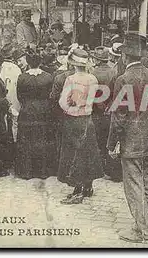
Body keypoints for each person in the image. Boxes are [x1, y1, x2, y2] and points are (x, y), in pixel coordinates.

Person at [107, 33, 148, 243]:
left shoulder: (123, 80)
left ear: (124, 56)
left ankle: (142, 231)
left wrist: (112, 143)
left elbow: (119, 116)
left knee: (134, 186)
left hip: (131, 142)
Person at [57, 48, 104, 204]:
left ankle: (77, 189)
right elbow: (91, 101)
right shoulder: (93, 79)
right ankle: (88, 186)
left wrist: (70, 108)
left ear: (73, 64)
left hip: (74, 119)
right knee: (88, 152)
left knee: (74, 153)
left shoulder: (71, 79)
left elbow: (63, 102)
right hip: (87, 119)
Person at [15, 50, 56, 179]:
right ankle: (43, 171)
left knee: (26, 141)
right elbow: (51, 96)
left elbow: (19, 96)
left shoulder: (22, 77)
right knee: (42, 139)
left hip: (27, 111)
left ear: (27, 62)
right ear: (40, 62)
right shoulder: (48, 77)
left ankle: (26, 171)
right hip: (43, 112)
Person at [90, 46, 121, 182]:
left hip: (95, 112)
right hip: (109, 111)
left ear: (96, 59)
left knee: (96, 140)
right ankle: (111, 169)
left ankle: (98, 167)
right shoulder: (114, 72)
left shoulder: (92, 73)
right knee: (108, 141)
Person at [0, 44, 22, 144]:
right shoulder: (16, 68)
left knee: (3, 122)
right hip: (14, 98)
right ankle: (14, 143)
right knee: (14, 123)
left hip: (2, 99)